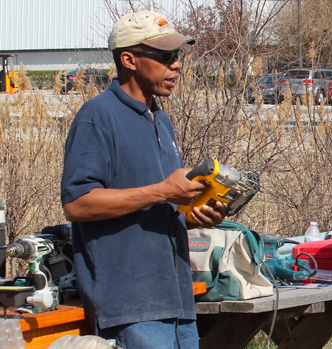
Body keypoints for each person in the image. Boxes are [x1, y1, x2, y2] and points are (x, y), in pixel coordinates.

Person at [60, 10, 224, 348]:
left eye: (178, 55)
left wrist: (194, 215)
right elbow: (77, 204)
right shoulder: (97, 116)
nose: (176, 64)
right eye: (165, 56)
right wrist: (163, 191)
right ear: (129, 59)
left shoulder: (160, 119)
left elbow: (153, 207)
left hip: (176, 298)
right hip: (129, 307)